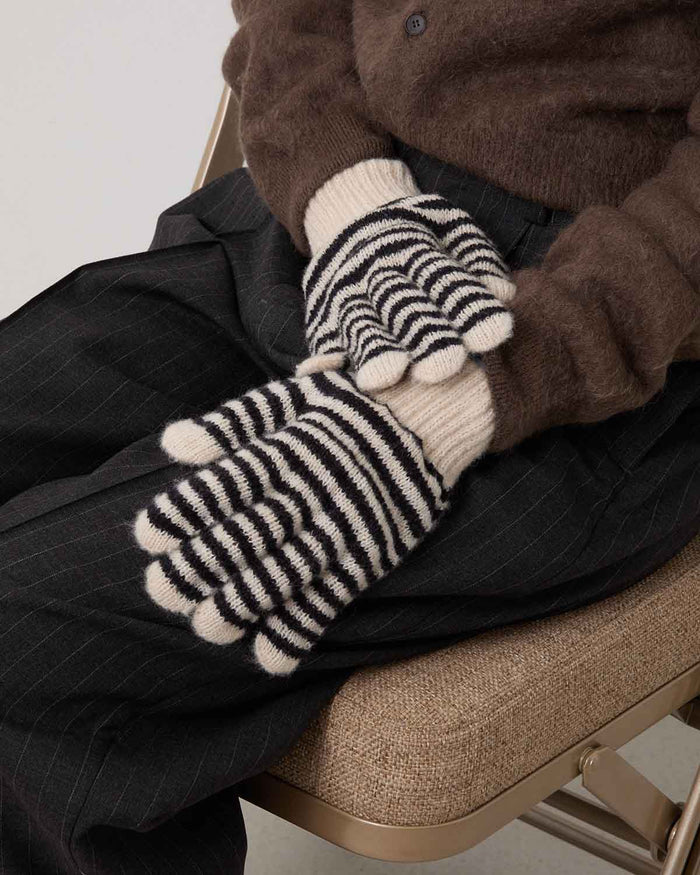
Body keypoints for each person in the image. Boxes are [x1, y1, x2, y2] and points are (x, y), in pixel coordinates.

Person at [1, 1, 699, 871]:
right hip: (328, 218)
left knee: (26, 638)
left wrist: (466, 396)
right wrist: (350, 201)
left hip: (592, 337)